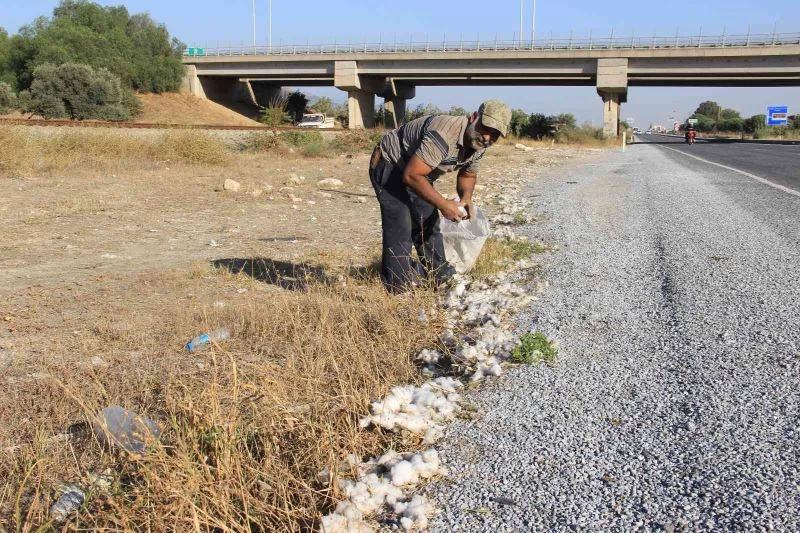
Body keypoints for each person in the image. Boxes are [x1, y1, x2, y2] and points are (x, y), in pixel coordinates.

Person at [368, 99, 512, 293]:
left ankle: (440, 275)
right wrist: (444, 204)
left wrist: (466, 199)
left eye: (495, 135)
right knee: (400, 225)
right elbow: (411, 175)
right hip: (391, 162)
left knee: (428, 220)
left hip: (418, 171)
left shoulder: (479, 145)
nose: (487, 137)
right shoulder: (444, 134)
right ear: (474, 117)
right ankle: (397, 288)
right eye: (486, 129)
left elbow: (468, 174)